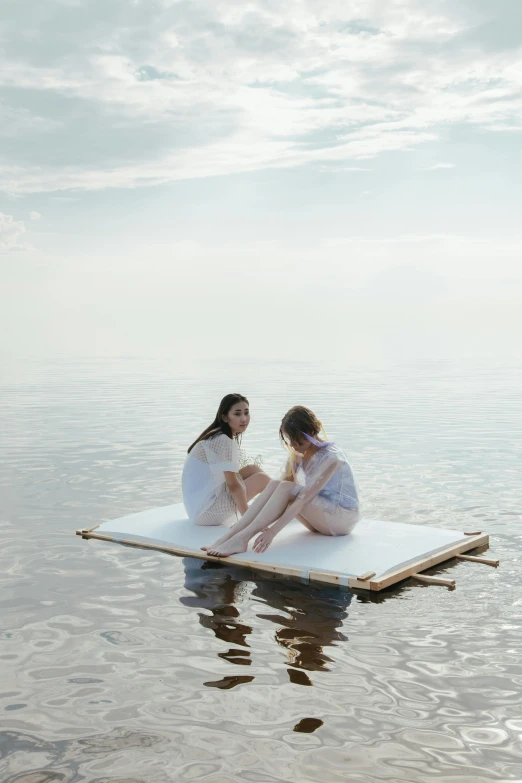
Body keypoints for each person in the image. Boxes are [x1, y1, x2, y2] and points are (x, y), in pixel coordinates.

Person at [204, 405, 359, 557]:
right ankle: (232, 535)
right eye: (290, 439)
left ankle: (242, 539)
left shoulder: (332, 458)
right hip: (320, 519)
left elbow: (303, 498)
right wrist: (254, 521)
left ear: (311, 432)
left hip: (341, 520)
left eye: (297, 440)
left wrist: (272, 532)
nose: (293, 445)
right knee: (276, 484)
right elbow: (279, 489)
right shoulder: (301, 453)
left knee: (285, 487)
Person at [182, 393, 270, 526]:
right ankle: (286, 505)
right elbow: (233, 486)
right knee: (262, 479)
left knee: (253, 469)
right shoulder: (223, 441)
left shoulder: (216, 435)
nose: (244, 419)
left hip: (199, 507)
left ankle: (284, 504)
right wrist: (247, 519)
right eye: (237, 414)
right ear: (224, 417)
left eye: (246, 413)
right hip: (207, 513)